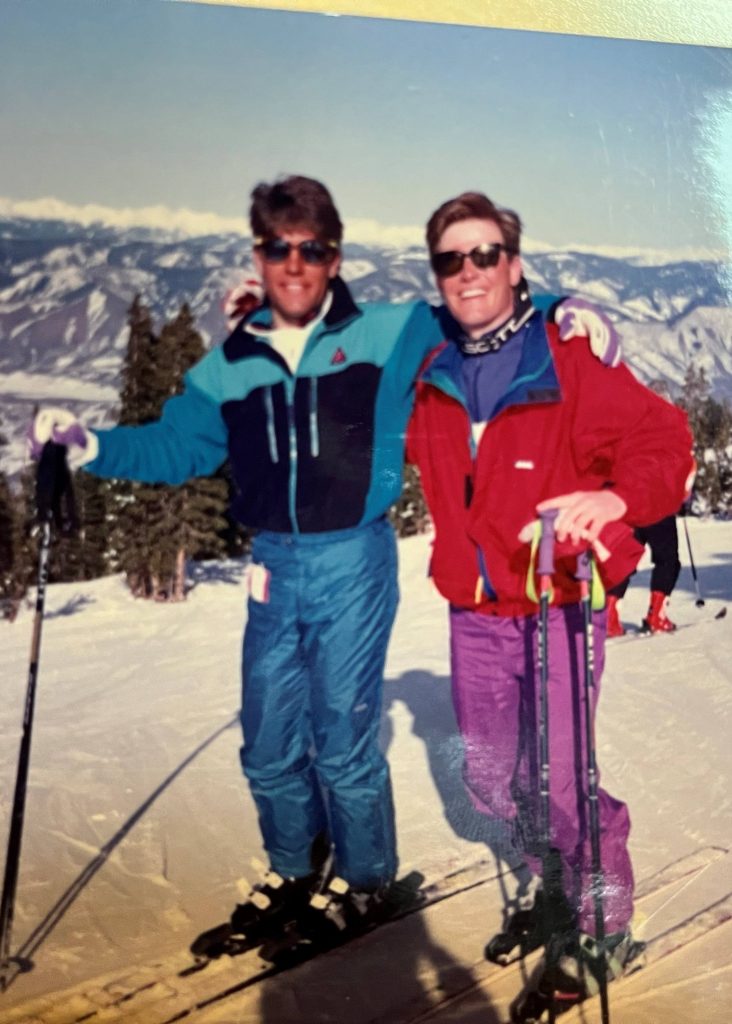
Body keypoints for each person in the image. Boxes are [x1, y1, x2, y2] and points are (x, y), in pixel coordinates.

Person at [29, 175, 620, 946]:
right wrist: (91, 445)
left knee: (342, 735)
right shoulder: (233, 361)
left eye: (312, 248)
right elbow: (179, 444)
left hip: (354, 556)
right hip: (272, 561)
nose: (295, 263)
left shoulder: (388, 331)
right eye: (279, 247)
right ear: (260, 254)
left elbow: (481, 309)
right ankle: (294, 867)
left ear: (334, 257)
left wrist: (560, 306)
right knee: (268, 737)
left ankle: (367, 877)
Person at [406, 191, 694, 1002]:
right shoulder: (427, 358)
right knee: (493, 781)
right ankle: (553, 884)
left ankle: (606, 926)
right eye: (451, 259)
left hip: (558, 604)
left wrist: (618, 502)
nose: (469, 272)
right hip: (475, 612)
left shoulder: (567, 359)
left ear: (514, 264)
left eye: (486, 254)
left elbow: (667, 439)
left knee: (562, 782)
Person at [606, 513, 682, 636]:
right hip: (659, 510)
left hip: (631, 511)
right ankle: (656, 617)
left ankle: (609, 617)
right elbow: (682, 494)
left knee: (624, 560)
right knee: (667, 561)